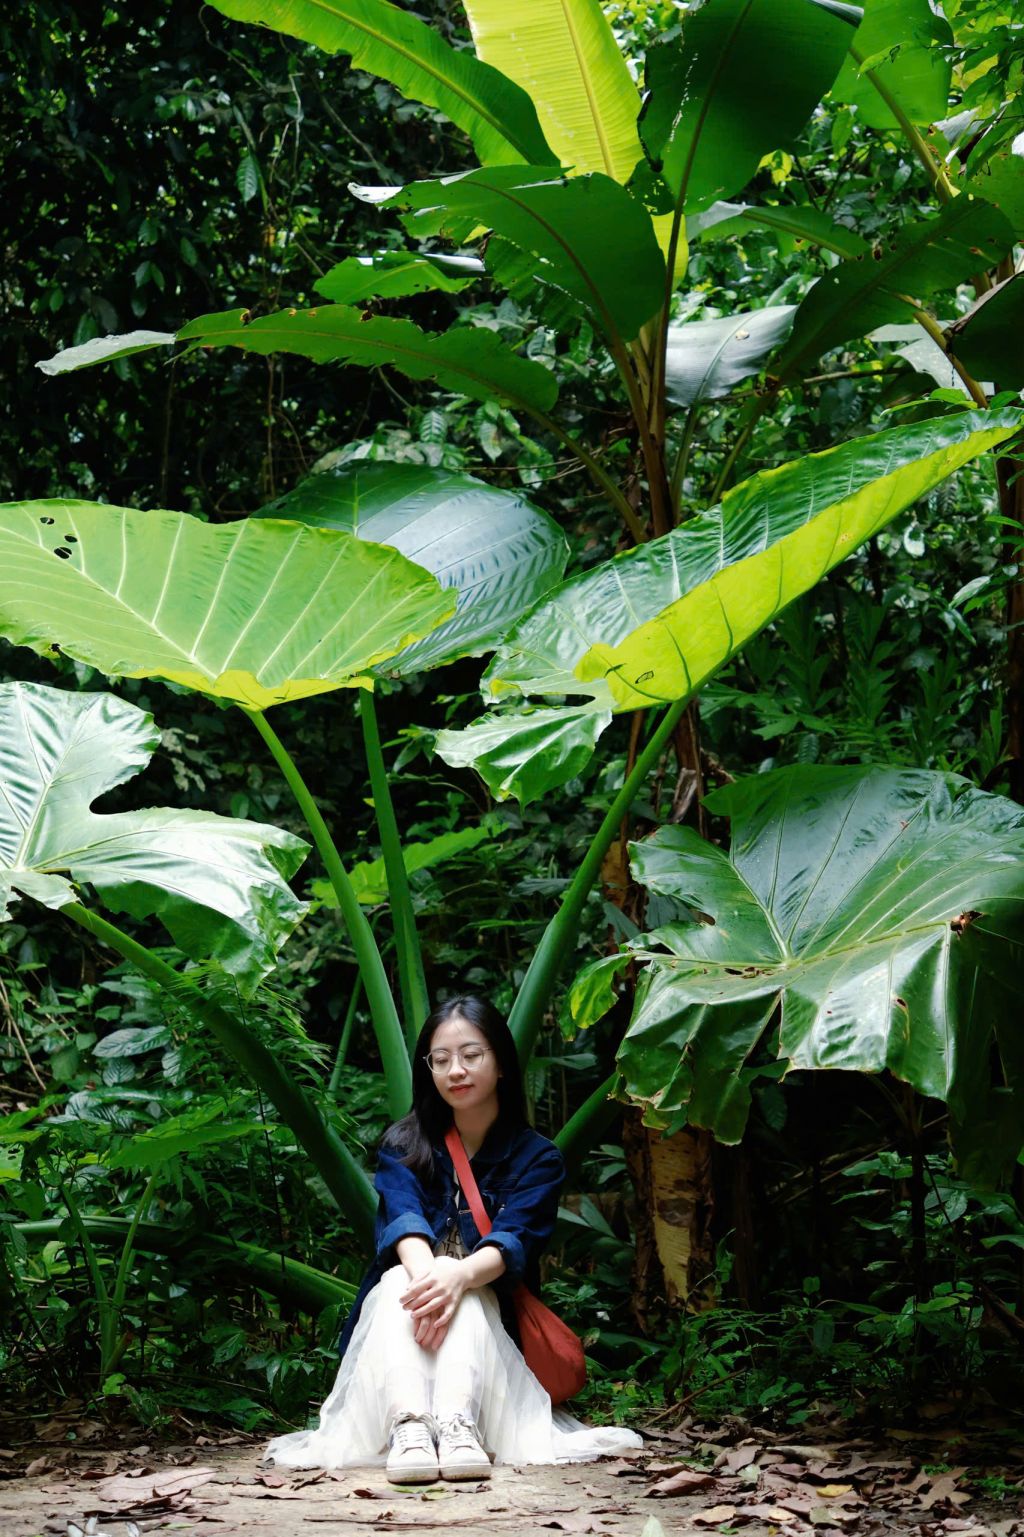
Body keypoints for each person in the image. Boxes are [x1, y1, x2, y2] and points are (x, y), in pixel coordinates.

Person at [265, 994, 643, 1480]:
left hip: (490, 1320)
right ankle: (410, 1426)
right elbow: (403, 1224)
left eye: (471, 1055)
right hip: (406, 1303)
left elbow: (514, 1241)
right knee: (409, 1277)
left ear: (501, 1063)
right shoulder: (405, 1143)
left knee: (463, 1284)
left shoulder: (537, 1159)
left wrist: (457, 1277)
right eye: (441, 1060)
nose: (456, 1070)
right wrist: (435, 1283)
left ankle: (458, 1423)